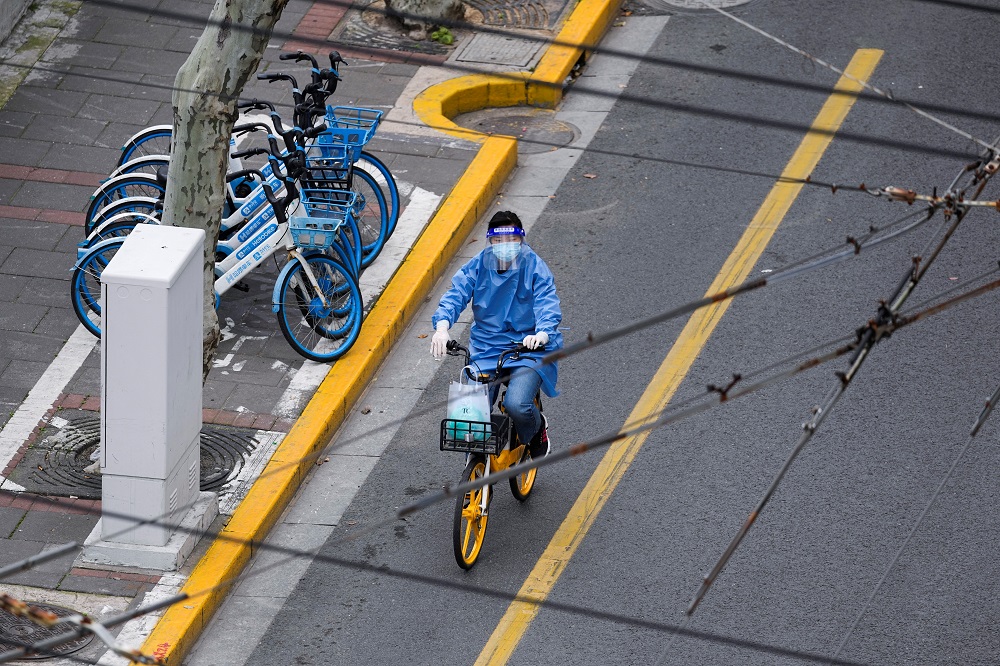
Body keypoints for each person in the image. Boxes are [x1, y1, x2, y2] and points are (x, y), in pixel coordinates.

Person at [431, 211, 563, 458]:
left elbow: (547, 302)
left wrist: (543, 333)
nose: (505, 246)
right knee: (470, 416)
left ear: (521, 240)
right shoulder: (478, 265)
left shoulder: (534, 266)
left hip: (529, 348)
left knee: (517, 404)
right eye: (498, 241)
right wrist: (441, 327)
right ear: (490, 242)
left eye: (511, 240)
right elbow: (456, 294)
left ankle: (536, 430)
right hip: (486, 348)